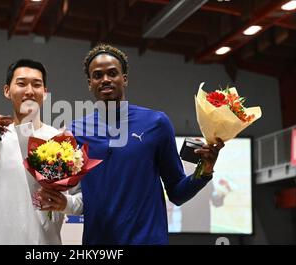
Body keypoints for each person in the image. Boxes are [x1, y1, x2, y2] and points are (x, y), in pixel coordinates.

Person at [68, 44, 225, 244]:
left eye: (112, 73)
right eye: (98, 75)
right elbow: (71, 193)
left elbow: (177, 191)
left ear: (124, 79)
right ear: (90, 83)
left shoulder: (156, 123)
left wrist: (205, 171)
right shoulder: (76, 132)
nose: (105, 79)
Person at [0, 59, 82, 245]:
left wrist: (65, 204)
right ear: (7, 90)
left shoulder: (62, 141)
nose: (29, 91)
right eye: (21, 83)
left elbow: (84, 199)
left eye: (36, 85)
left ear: (45, 93)